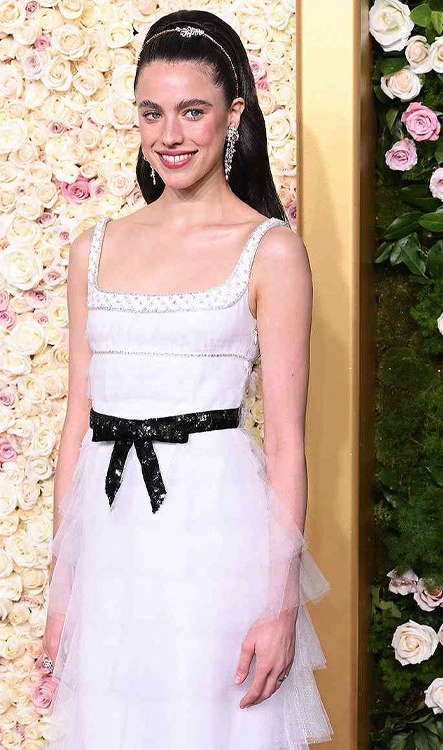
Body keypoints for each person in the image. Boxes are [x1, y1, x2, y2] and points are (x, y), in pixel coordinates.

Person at [42, 8, 333, 750]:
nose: (170, 135)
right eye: (152, 113)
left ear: (233, 115)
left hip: (216, 535)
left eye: (192, 111)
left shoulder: (270, 251)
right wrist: (62, 584)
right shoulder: (94, 246)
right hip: (111, 537)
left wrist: (279, 607)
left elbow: (289, 444)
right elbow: (78, 421)